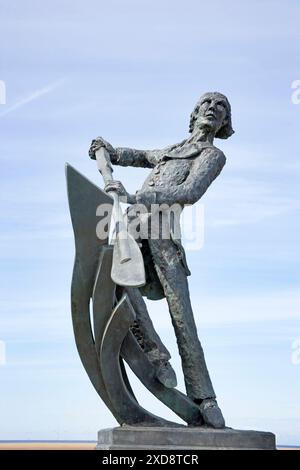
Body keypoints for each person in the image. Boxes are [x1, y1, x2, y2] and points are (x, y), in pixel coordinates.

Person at [89, 92, 234, 428]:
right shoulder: (171, 152)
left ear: (225, 122)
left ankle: (205, 398)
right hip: (133, 230)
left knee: (182, 318)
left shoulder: (211, 154)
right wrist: (110, 151)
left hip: (164, 238)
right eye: (207, 104)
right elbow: (139, 156)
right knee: (116, 283)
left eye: (221, 107)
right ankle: (156, 355)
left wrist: (134, 196)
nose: (213, 109)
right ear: (195, 112)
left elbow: (190, 192)